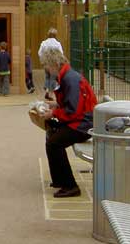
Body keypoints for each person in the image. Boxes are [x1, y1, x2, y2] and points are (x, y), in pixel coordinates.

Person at [39, 47, 96, 198]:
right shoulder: (68, 76)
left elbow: (73, 111)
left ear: (53, 64)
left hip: (84, 125)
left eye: (46, 65)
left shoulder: (69, 79)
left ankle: (70, 186)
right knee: (52, 135)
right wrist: (56, 106)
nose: (46, 69)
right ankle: (60, 180)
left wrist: (53, 113)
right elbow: (73, 105)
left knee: (54, 143)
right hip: (83, 121)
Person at [38, 28, 63, 98]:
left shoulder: (44, 43)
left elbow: (39, 52)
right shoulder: (57, 44)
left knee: (47, 77)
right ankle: (50, 94)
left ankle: (46, 90)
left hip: (46, 63)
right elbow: (61, 53)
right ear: (55, 35)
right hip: (54, 63)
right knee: (53, 78)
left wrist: (43, 60)